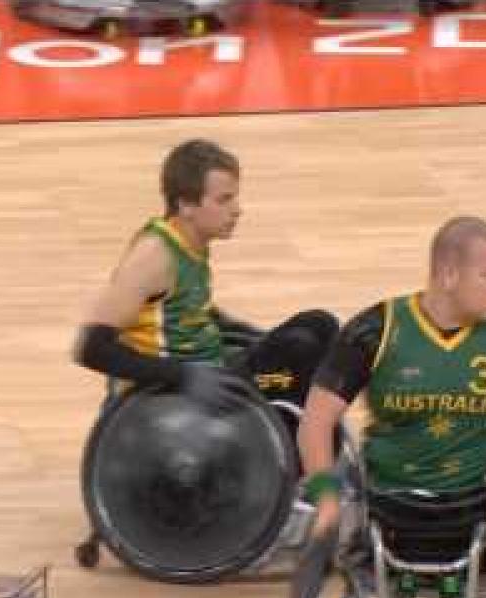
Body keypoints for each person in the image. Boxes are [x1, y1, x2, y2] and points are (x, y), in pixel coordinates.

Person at [299, 215, 486, 541]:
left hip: (474, 507)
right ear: (449, 275)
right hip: (387, 504)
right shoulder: (376, 330)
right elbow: (316, 420)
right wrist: (326, 499)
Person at [72, 138, 339, 428]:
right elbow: (91, 349)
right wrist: (182, 376)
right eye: (224, 200)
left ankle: (297, 441)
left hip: (210, 369)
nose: (237, 210)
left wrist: (252, 334)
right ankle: (298, 452)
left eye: (235, 198)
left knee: (320, 328)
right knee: (302, 359)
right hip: (169, 393)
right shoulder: (153, 257)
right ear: (186, 204)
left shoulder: (190, 240)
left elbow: (193, 313)